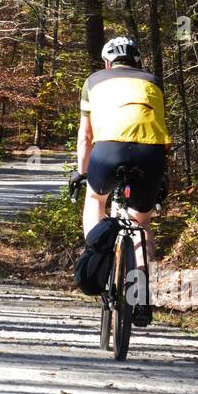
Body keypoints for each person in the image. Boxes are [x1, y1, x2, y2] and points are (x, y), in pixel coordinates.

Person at [75, 36, 172, 322]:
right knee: (140, 222)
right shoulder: (153, 81)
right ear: (138, 61)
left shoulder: (93, 81)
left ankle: (96, 252)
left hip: (108, 151)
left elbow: (86, 136)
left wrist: (82, 173)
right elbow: (157, 125)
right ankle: (140, 294)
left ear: (107, 62)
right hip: (151, 153)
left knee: (95, 198)